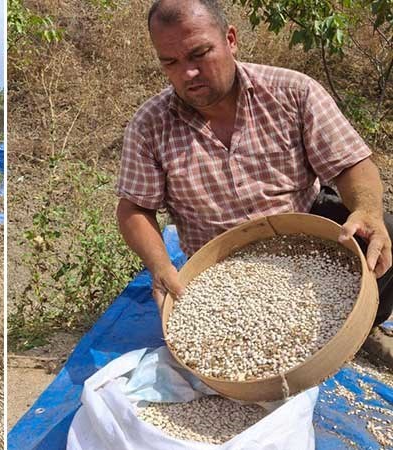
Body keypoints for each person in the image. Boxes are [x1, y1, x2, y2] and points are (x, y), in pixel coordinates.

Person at [116, 0, 393, 368]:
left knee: (383, 232)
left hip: (306, 236)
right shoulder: (150, 125)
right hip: (221, 265)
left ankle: (362, 324)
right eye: (171, 63)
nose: (189, 73)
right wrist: (160, 265)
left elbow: (350, 164)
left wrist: (367, 209)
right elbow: (134, 207)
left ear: (230, 39)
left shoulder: (293, 92)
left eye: (200, 53)